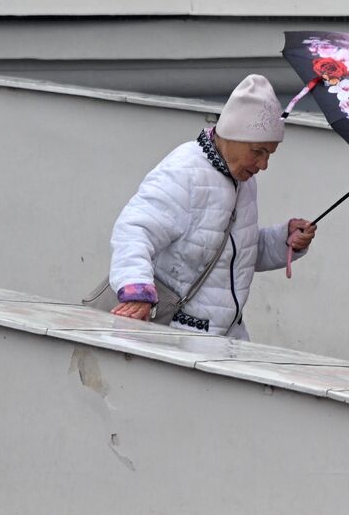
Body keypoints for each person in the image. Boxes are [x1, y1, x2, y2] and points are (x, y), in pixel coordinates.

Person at [108, 74, 316, 339]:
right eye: (258, 151)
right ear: (233, 135)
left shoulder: (243, 181)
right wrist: (136, 290)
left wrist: (286, 240)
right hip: (178, 339)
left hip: (227, 339)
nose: (264, 165)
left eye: (269, 154)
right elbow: (134, 230)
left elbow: (238, 252)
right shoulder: (185, 171)